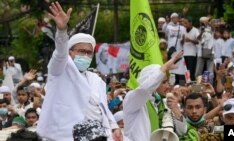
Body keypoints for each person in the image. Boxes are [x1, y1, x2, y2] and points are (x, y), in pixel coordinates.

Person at [37, 2, 122, 141]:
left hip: (96, 136)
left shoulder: (96, 80)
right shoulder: (60, 70)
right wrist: (62, 30)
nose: (86, 56)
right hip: (64, 136)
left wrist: (113, 126)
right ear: (70, 52)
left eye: (89, 53)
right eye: (82, 51)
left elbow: (102, 109)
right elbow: (60, 52)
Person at [123, 51, 186, 141]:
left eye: (167, 82)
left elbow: (182, 131)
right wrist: (164, 67)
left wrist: (176, 110)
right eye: (163, 82)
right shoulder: (132, 98)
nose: (168, 86)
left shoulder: (163, 103)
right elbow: (145, 88)